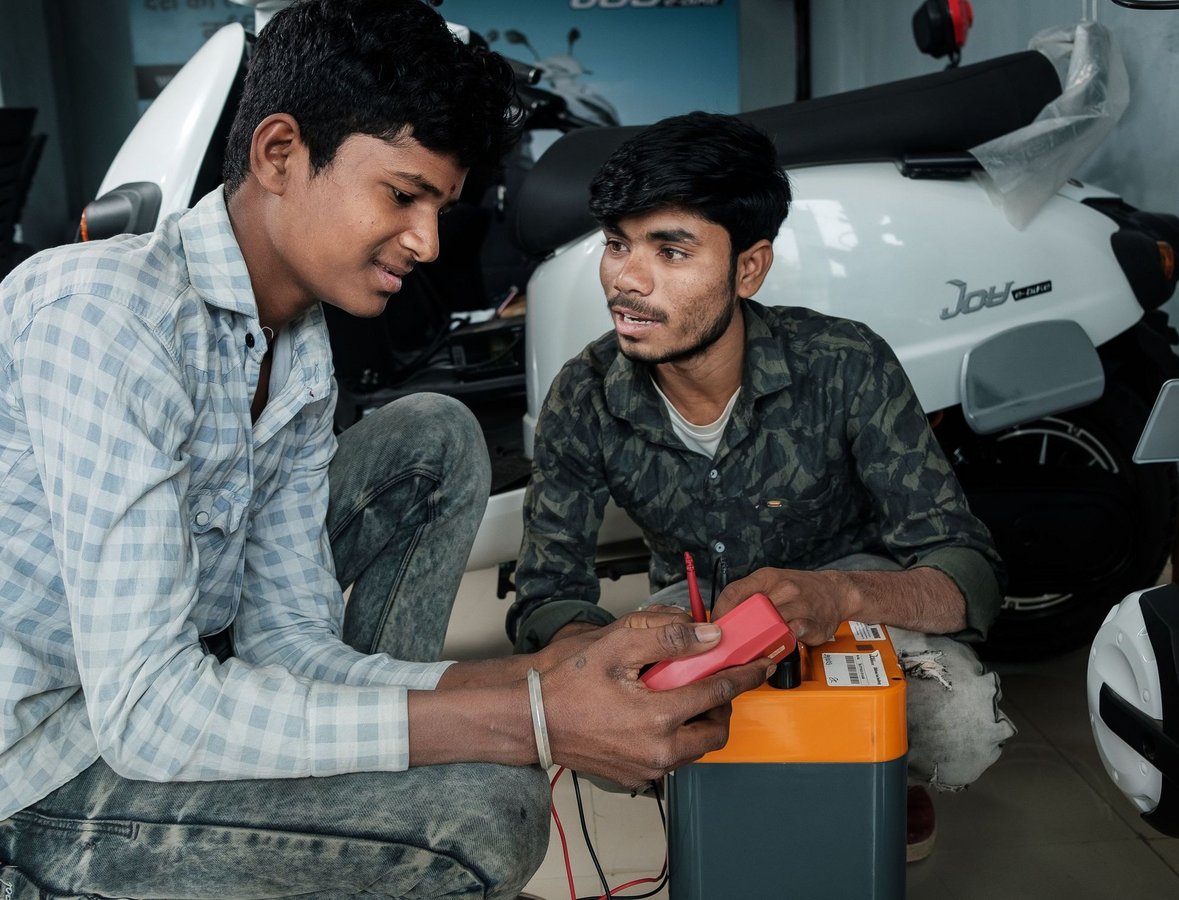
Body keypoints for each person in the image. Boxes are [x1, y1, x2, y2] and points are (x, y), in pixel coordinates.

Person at [0, 6, 774, 898]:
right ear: (279, 154)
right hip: (42, 774)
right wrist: (533, 720)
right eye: (403, 195)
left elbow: (289, 644)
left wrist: (544, 676)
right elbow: (151, 715)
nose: (428, 241)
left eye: (440, 206)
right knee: (478, 818)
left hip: (146, 709)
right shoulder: (102, 314)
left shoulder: (295, 348)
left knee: (434, 434)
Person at [508, 110, 1018, 863]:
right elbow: (547, 591)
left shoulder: (845, 363)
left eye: (671, 250)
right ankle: (726, 784)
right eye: (617, 245)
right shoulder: (584, 395)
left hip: (850, 602)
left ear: (749, 268)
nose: (627, 278)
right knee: (602, 722)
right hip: (696, 612)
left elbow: (966, 573)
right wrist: (603, 653)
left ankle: (880, 773)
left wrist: (835, 597)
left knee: (960, 723)